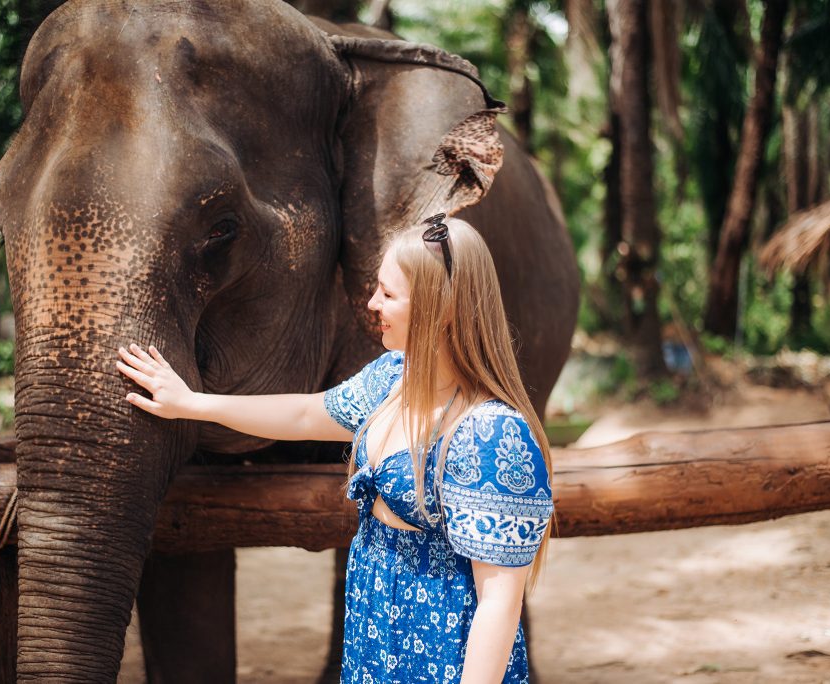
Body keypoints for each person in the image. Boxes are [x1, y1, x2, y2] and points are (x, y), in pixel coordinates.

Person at [116, 214, 554, 683]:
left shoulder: (493, 435)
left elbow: (499, 604)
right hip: (374, 644)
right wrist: (192, 403)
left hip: (442, 661)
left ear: (438, 308)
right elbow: (306, 415)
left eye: (388, 294)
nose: (371, 303)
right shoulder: (392, 380)